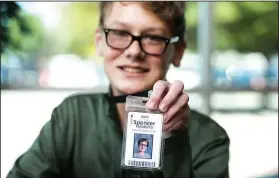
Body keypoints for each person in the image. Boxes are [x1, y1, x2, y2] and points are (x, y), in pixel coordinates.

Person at [7, 2, 230, 178]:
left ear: (178, 51)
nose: (134, 51)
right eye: (120, 33)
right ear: (99, 42)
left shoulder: (210, 139)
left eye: (153, 37)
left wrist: (173, 144)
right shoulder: (71, 118)